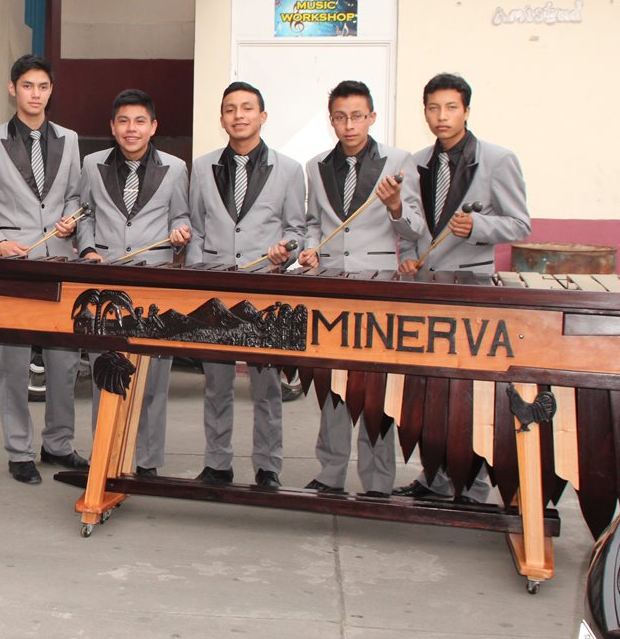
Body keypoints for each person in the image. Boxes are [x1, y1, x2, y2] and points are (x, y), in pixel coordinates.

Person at [393, 72, 531, 502]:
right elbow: (413, 228)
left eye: (451, 107)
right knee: (428, 391)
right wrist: (408, 254)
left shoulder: (498, 159)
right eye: (433, 108)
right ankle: (434, 476)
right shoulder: (416, 161)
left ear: (466, 111)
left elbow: (520, 225)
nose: (442, 116)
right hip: (425, 290)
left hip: (471, 292)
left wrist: (478, 226)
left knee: (471, 393)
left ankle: (474, 484)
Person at [297, 80, 424, 496]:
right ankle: (330, 473)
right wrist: (311, 249)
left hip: (378, 289)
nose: (349, 125)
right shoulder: (315, 165)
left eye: (357, 116)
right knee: (332, 386)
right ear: (330, 120)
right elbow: (313, 222)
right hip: (331, 288)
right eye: (340, 117)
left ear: (371, 117)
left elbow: (415, 228)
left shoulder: (399, 161)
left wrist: (395, 206)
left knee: (376, 390)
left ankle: (378, 481)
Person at [0, 55, 86, 485]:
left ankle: (59, 444)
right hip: (14, 264)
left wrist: (72, 218)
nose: (36, 94)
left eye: (43, 87)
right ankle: (19, 450)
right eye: (28, 86)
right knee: (13, 363)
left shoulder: (70, 139)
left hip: (59, 260)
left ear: (51, 91)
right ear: (12, 89)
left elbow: (75, 196)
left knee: (64, 362)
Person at [186, 82, 303, 489]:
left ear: (262, 116)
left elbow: (296, 230)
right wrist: (197, 280)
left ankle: (268, 467)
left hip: (264, 292)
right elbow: (197, 229)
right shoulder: (202, 167)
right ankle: (217, 463)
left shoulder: (289, 169)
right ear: (222, 119)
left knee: (267, 386)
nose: (239, 115)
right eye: (231, 109)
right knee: (216, 384)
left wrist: (285, 251)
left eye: (247, 108)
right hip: (216, 293)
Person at [77, 89, 190, 477]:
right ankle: (104, 456)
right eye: (123, 121)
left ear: (153, 126)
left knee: (154, 380)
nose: (131, 129)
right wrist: (87, 248)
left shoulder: (175, 168)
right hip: (106, 286)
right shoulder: (92, 164)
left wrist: (180, 232)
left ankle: (147, 461)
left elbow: (181, 215)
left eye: (140, 121)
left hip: (153, 286)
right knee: (105, 374)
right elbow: (84, 214)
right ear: (112, 127)